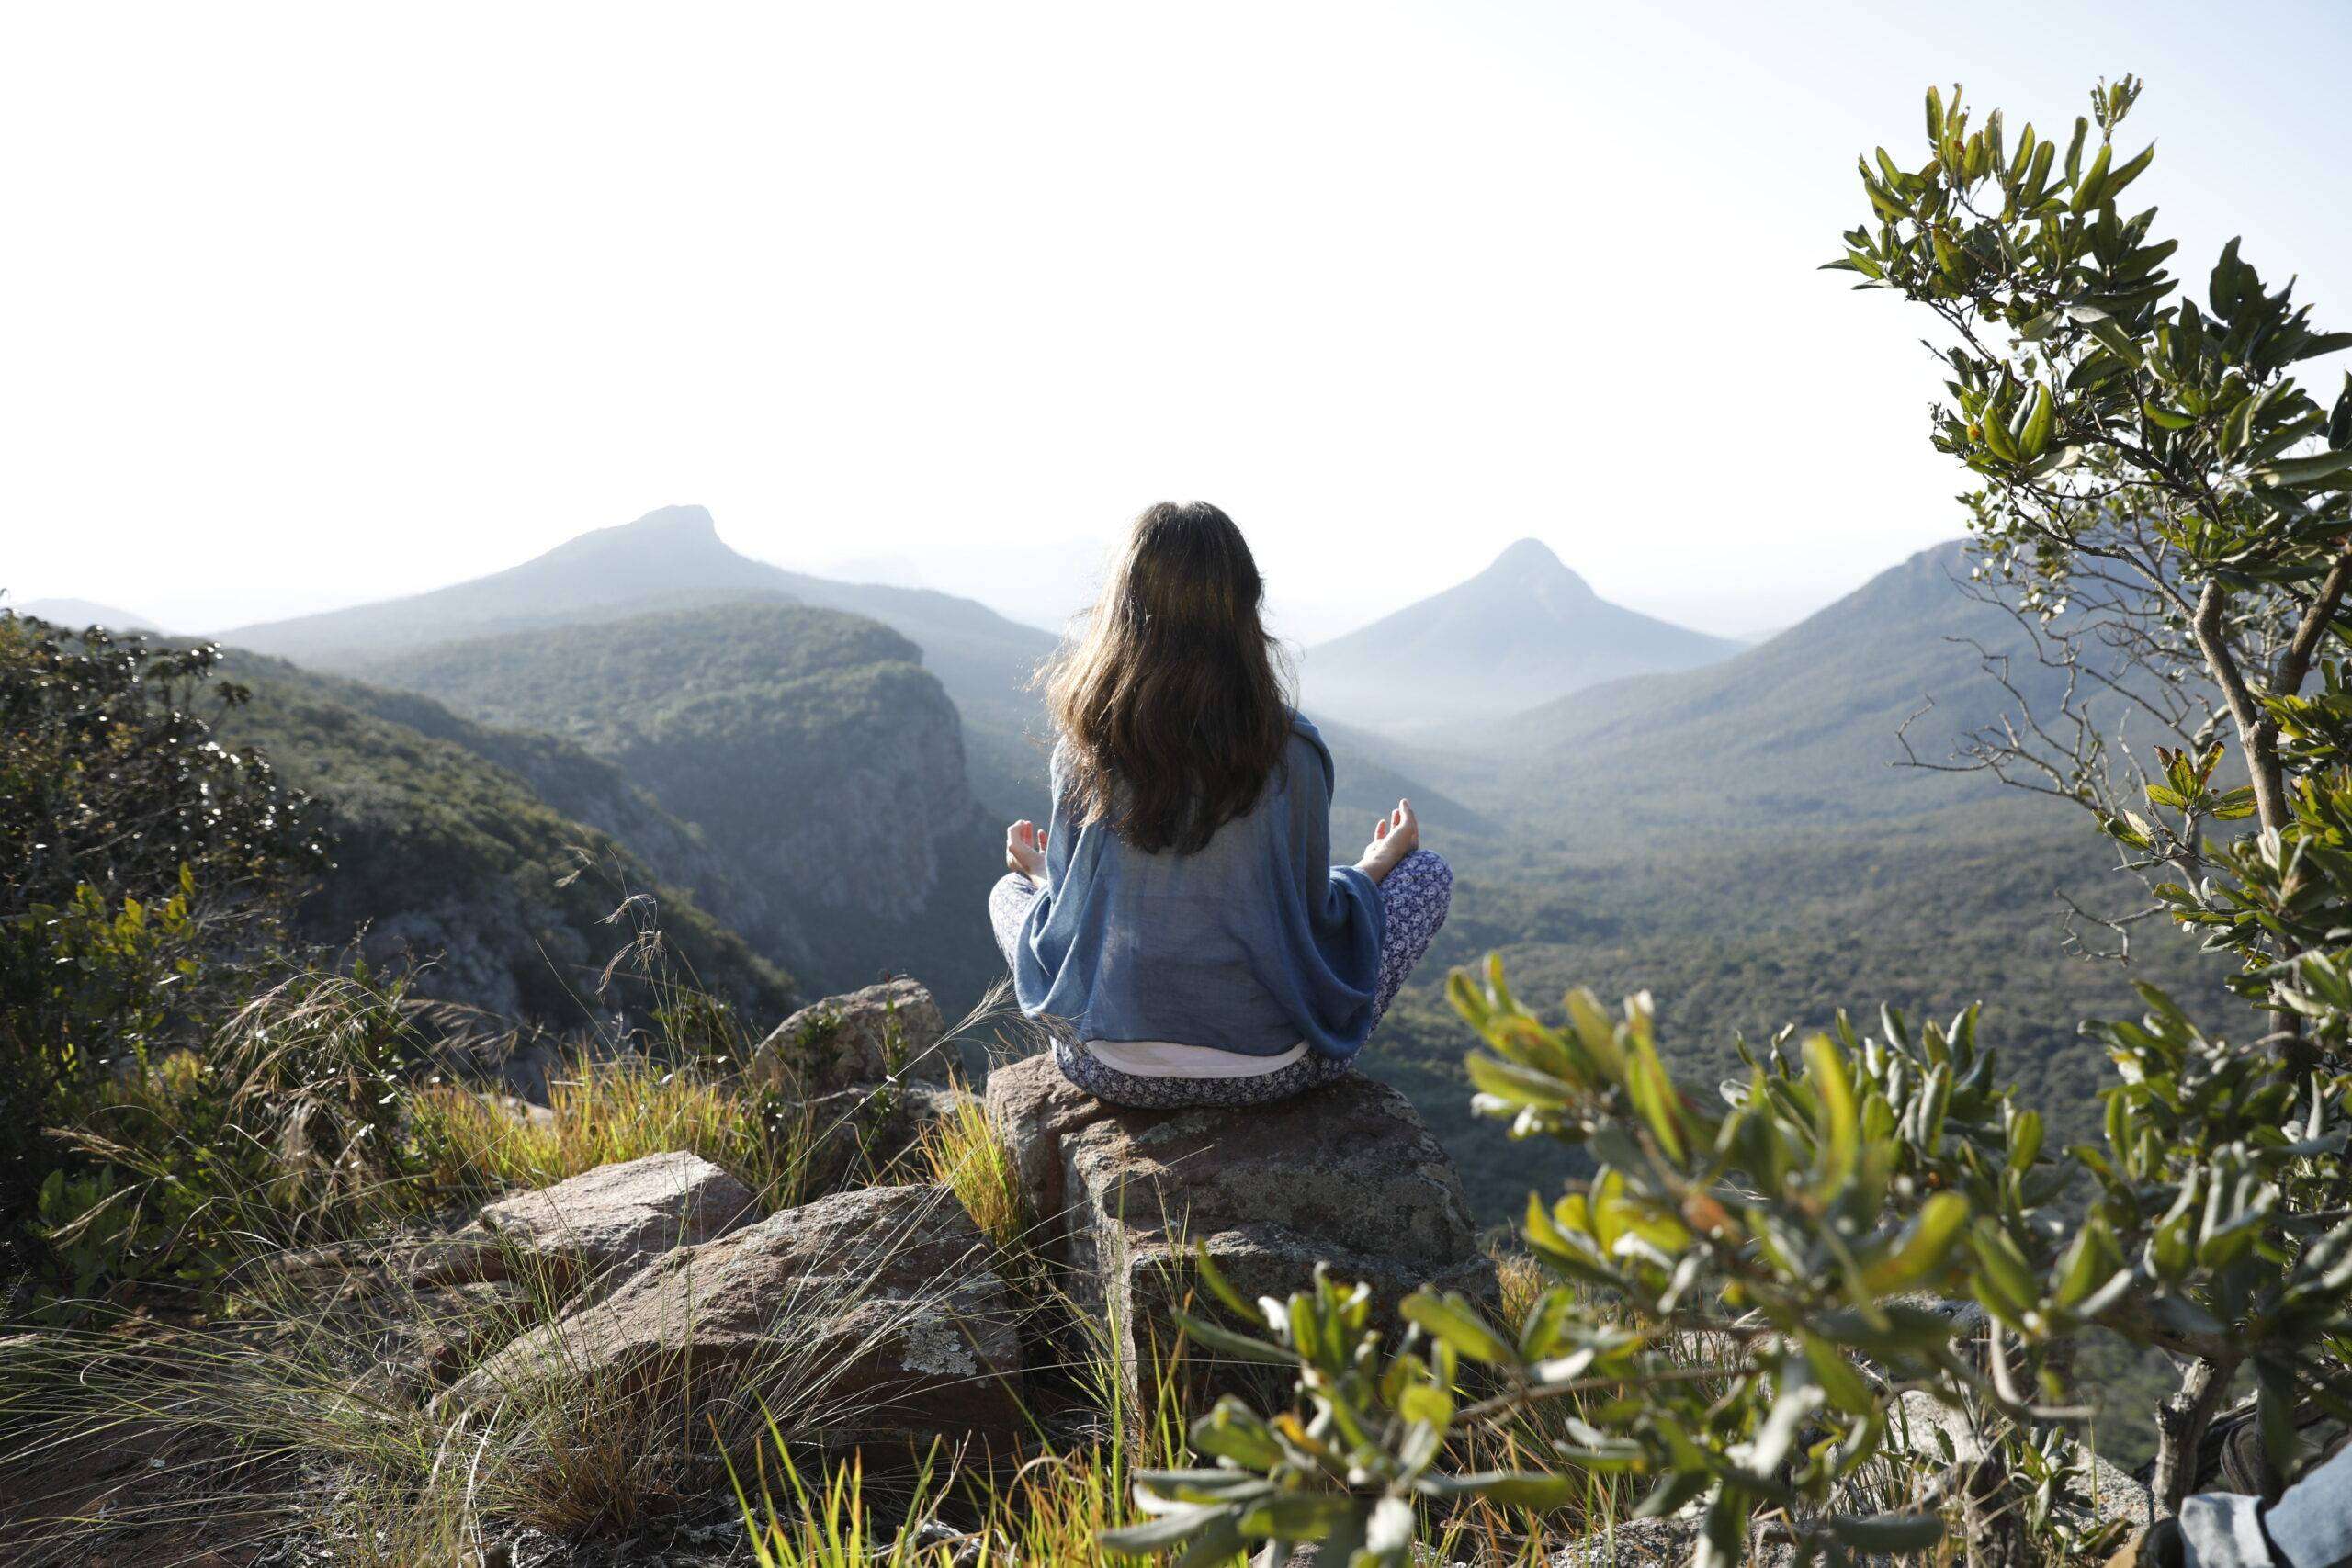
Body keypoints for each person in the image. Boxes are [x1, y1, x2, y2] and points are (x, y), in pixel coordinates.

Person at [986, 499, 1450, 1111]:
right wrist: (1377, 864)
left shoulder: (1083, 750)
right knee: (1430, 874)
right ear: (1244, 606)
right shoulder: (1293, 749)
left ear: (1121, 612)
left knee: (1007, 894)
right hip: (1270, 1068)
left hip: (1111, 1067)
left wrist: (1042, 871)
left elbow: (1076, 921)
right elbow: (1306, 921)